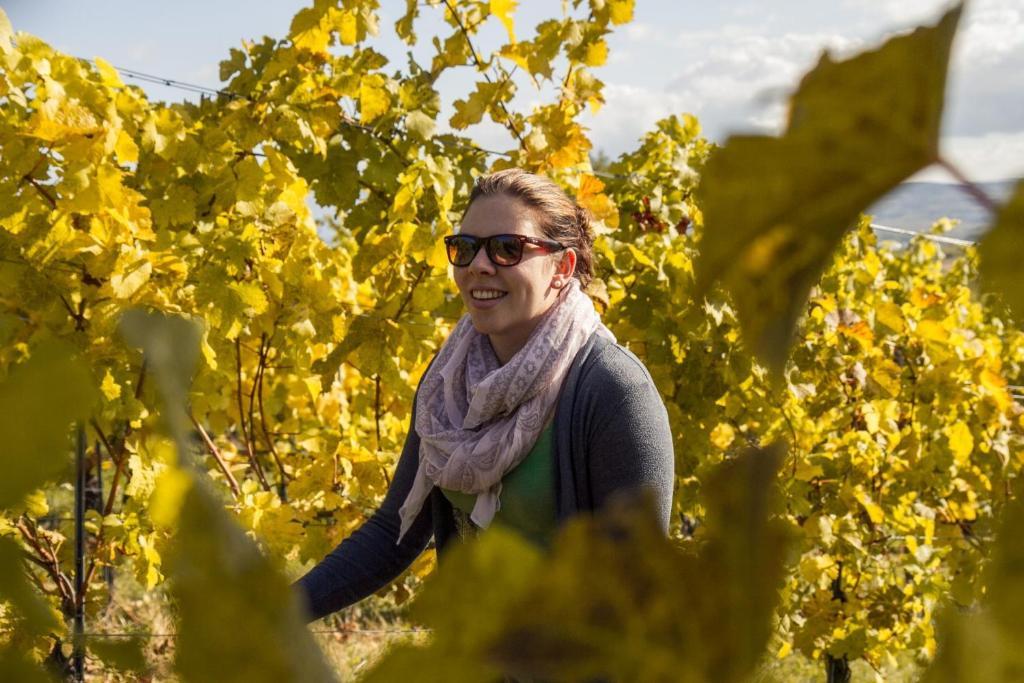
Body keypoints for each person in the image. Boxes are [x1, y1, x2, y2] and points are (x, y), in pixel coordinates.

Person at [294, 168, 674, 622]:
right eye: (466, 247)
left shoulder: (612, 390)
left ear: (563, 267)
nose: (478, 265)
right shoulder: (448, 382)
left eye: (507, 248)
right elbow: (393, 534)